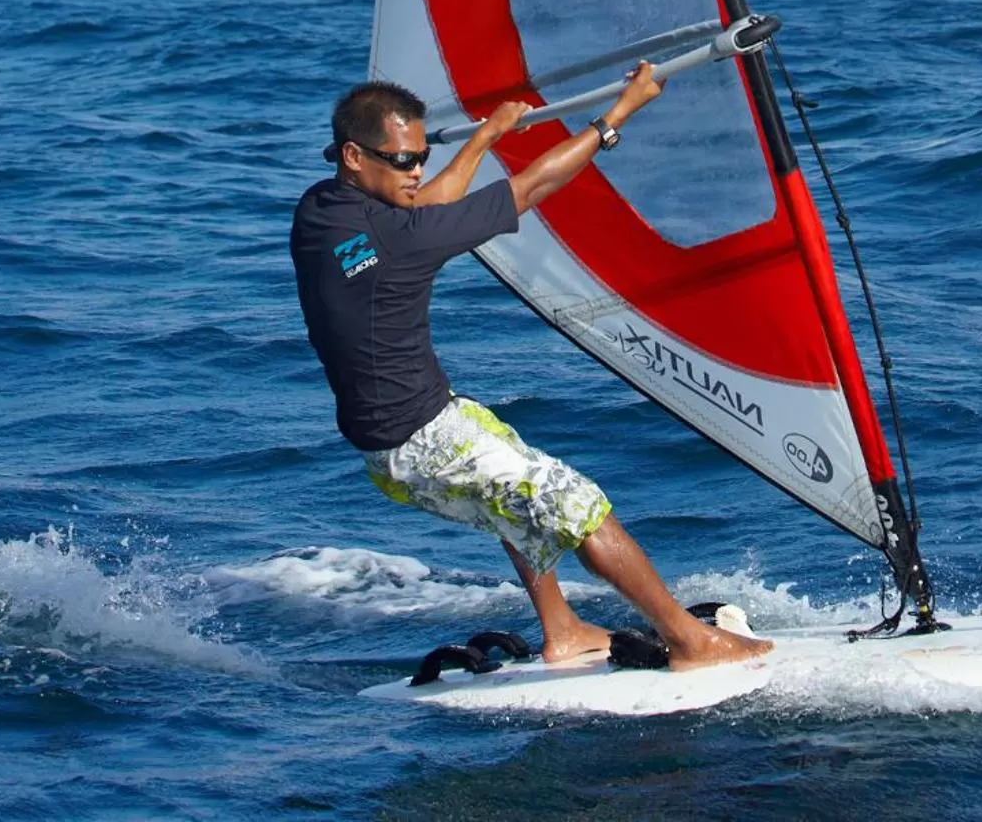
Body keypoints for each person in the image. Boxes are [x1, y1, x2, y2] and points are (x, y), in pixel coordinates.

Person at [290, 63, 768, 671]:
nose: (417, 172)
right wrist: (620, 115)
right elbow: (531, 188)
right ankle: (690, 640)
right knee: (580, 506)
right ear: (356, 156)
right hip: (425, 437)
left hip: (393, 443)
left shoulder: (322, 211)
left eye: (419, 158)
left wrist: (484, 137)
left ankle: (563, 629)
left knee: (511, 495)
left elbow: (425, 206)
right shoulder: (399, 239)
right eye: (404, 161)